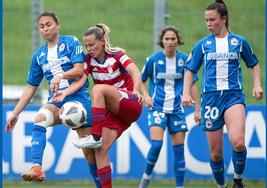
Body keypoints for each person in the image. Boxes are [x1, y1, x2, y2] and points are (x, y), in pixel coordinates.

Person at [5, 11, 101, 187]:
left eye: (48, 24)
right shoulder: (39, 56)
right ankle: (36, 167)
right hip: (56, 102)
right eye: (41, 26)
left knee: (91, 155)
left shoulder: (71, 42)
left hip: (78, 100)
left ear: (58, 25)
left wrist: (60, 76)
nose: (45, 29)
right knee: (40, 118)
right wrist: (16, 113)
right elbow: (30, 87)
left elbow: (79, 70)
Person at [182, 1, 264, 188]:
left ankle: (237, 180)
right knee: (216, 154)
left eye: (212, 20)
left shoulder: (239, 42)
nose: (209, 24)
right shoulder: (203, 45)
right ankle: (221, 186)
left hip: (233, 96)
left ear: (224, 19)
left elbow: (254, 64)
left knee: (238, 142)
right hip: (210, 99)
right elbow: (189, 70)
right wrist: (186, 93)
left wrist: (257, 85)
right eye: (206, 20)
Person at [52, 23, 143, 188]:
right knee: (100, 151)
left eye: (92, 45)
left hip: (130, 103)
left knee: (98, 89)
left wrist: (136, 91)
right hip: (115, 114)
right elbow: (80, 80)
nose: (89, 48)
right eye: (86, 45)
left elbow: (135, 72)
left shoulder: (117, 54)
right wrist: (64, 93)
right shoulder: (89, 60)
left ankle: (95, 135)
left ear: (102, 41)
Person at [138, 26, 200, 188]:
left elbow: (193, 83)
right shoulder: (152, 60)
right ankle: (146, 177)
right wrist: (146, 96)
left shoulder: (185, 60)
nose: (170, 42)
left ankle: (180, 186)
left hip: (177, 110)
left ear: (178, 40)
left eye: (173, 39)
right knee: (157, 145)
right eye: (167, 39)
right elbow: (140, 80)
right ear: (162, 41)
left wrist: (197, 109)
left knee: (179, 151)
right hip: (157, 108)